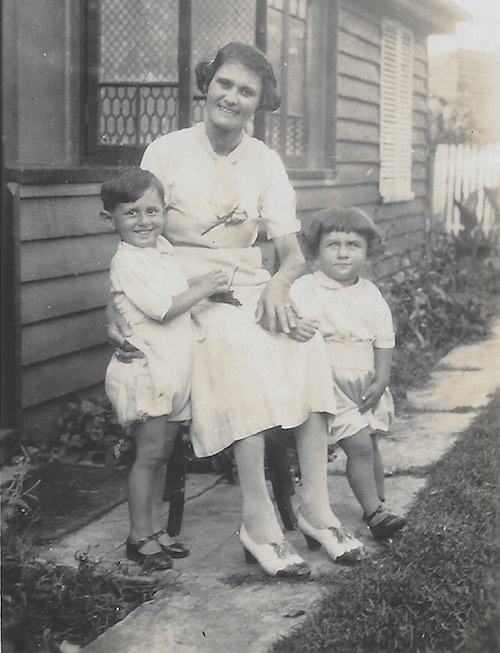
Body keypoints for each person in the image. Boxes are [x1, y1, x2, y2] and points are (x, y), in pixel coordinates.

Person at [111, 42, 364, 577]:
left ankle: (315, 506)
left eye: (245, 91)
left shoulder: (264, 160)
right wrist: (117, 303)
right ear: (208, 84)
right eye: (224, 83)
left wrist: (278, 286)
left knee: (307, 341)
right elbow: (134, 232)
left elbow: (292, 252)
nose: (231, 96)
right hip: (185, 287)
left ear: (259, 102)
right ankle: (258, 520)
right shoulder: (167, 150)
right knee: (242, 347)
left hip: (250, 282)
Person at [102, 168, 230, 571]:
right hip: (148, 374)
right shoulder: (128, 261)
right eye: (132, 213)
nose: (144, 221)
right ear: (112, 219)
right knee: (149, 456)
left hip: (172, 373)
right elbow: (163, 308)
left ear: (165, 212)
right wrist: (206, 286)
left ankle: (155, 530)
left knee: (161, 455)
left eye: (152, 211)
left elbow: (173, 289)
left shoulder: (160, 251)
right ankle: (138, 537)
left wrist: (201, 282)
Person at [290, 207, 407, 540]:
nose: (343, 253)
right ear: (317, 249)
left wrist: (382, 379)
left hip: (365, 381)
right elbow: (292, 327)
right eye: (333, 244)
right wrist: (296, 326)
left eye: (353, 245)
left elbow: (384, 339)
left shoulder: (369, 292)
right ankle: (374, 514)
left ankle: (380, 502)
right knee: (359, 446)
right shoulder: (306, 288)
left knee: (371, 443)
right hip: (328, 383)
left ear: (367, 250)